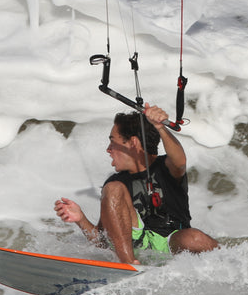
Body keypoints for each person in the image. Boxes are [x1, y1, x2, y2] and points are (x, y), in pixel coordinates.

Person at [54, 103, 219, 265]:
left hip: (171, 244)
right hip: (135, 247)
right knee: (114, 188)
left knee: (194, 238)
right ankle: (128, 264)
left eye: (113, 142)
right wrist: (80, 219)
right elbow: (103, 241)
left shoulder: (166, 167)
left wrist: (160, 128)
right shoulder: (115, 185)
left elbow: (180, 161)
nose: (108, 149)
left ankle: (226, 263)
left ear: (132, 142)